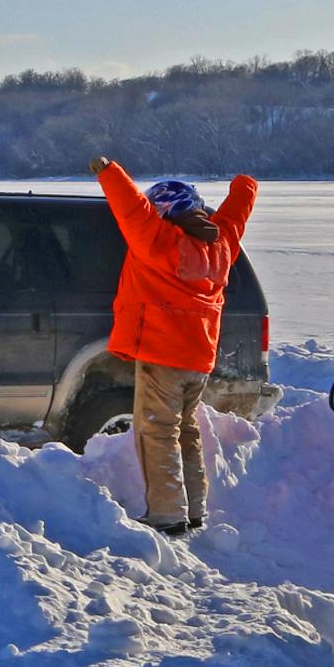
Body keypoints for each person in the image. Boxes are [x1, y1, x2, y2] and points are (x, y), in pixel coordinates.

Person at [89, 155, 258, 536]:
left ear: (164, 212)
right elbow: (235, 216)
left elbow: (130, 208)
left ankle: (166, 515)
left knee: (157, 431)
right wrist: (245, 183)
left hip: (161, 355)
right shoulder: (222, 245)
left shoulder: (159, 241)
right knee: (186, 430)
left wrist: (109, 170)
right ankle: (193, 509)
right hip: (198, 358)